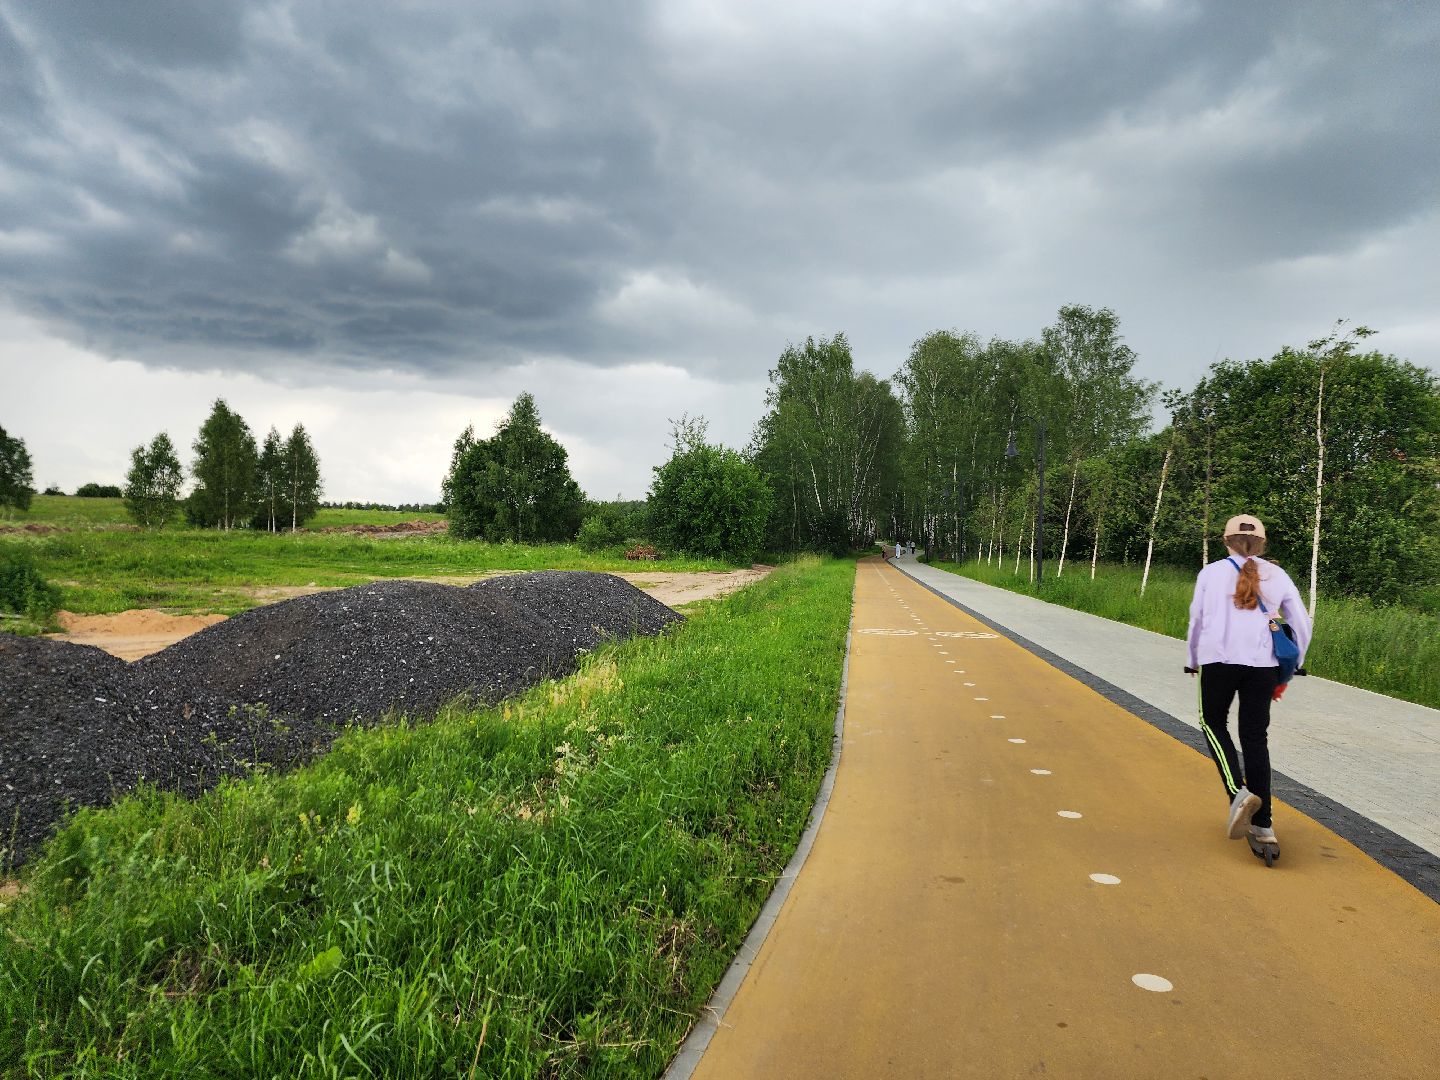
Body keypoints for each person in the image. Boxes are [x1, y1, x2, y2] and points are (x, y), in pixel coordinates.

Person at [1185, 514, 1312, 855]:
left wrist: (1192, 658)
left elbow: (1197, 618)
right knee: (1255, 738)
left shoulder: (1210, 573)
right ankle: (1265, 825)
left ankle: (1238, 794)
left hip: (1218, 662)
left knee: (1211, 722)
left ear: (1225, 541)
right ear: (1262, 543)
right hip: (1263, 667)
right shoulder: (1278, 575)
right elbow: (1301, 621)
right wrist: (1295, 664)